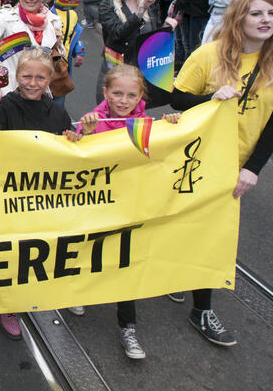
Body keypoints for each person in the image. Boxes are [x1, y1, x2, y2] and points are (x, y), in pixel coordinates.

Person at [171, 0, 273, 346]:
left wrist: (253, 168)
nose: (266, 21)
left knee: (214, 234)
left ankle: (199, 307)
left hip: (237, 163)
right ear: (239, 17)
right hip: (198, 159)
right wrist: (209, 98)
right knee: (200, 230)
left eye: (272, 14)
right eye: (257, 14)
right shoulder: (209, 55)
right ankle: (196, 300)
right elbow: (176, 97)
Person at [74, 64, 180, 360]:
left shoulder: (149, 124)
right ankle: (80, 291)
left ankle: (127, 326)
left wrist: (173, 126)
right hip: (98, 206)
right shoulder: (92, 120)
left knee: (125, 264)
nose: (122, 100)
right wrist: (85, 134)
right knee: (92, 251)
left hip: (131, 207)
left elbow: (162, 154)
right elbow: (79, 162)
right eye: (117, 93)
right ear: (105, 92)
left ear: (140, 96)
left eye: (130, 95)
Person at [0, 47, 82, 339]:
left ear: (49, 79)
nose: (32, 82)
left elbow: (66, 151)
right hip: (10, 192)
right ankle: (9, 304)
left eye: (39, 77)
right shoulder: (6, 104)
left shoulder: (58, 112)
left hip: (43, 195)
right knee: (13, 249)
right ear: (16, 76)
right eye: (26, 76)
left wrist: (73, 140)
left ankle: (39, 291)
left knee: (39, 248)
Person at [97, 0, 171, 102]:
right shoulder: (108, 4)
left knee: (137, 119)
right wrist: (141, 10)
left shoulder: (150, 3)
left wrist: (167, 27)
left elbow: (152, 37)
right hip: (116, 70)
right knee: (112, 119)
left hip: (142, 71)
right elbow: (117, 34)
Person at [47, 0, 86, 105]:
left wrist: (80, 51)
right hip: (46, 66)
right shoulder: (46, 12)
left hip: (63, 67)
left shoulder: (73, 14)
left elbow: (73, 37)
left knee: (59, 104)